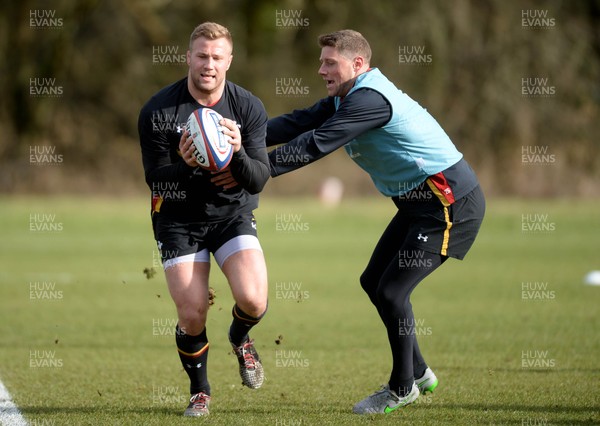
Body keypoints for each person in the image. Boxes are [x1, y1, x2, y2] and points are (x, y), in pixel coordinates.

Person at [267, 29, 485, 415]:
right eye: (322, 61)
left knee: (391, 292)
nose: (321, 69)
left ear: (358, 64)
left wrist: (254, 170)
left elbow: (317, 142)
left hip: (448, 203)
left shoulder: (368, 100)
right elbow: (298, 122)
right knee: (374, 282)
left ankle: (402, 388)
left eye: (329, 62)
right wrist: (239, 137)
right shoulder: (349, 96)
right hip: (422, 204)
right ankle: (418, 372)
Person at [138, 22, 270, 417]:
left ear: (229, 61)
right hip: (178, 221)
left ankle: (239, 337)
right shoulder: (158, 111)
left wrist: (237, 153)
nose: (208, 64)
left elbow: (260, 175)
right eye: (201, 55)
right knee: (192, 312)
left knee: (253, 299)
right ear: (188, 57)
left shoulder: (248, 108)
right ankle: (200, 391)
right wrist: (186, 163)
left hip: (232, 214)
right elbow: (156, 180)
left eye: (216, 57)